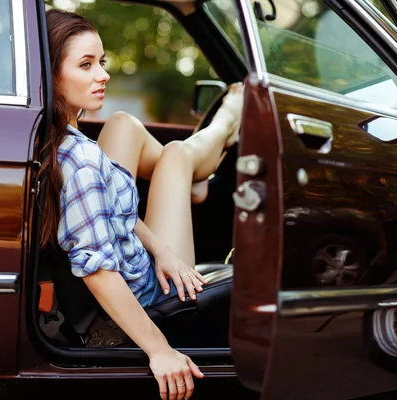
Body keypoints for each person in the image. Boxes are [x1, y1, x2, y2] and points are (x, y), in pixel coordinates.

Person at [40, 9, 244, 400]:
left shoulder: (61, 139)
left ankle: (194, 180)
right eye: (85, 65)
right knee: (177, 157)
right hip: (149, 294)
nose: (103, 74)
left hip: (146, 261)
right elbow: (97, 270)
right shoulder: (80, 163)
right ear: (51, 76)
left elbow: (111, 211)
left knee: (122, 123)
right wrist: (160, 350)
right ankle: (226, 122)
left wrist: (163, 250)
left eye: (101, 62)